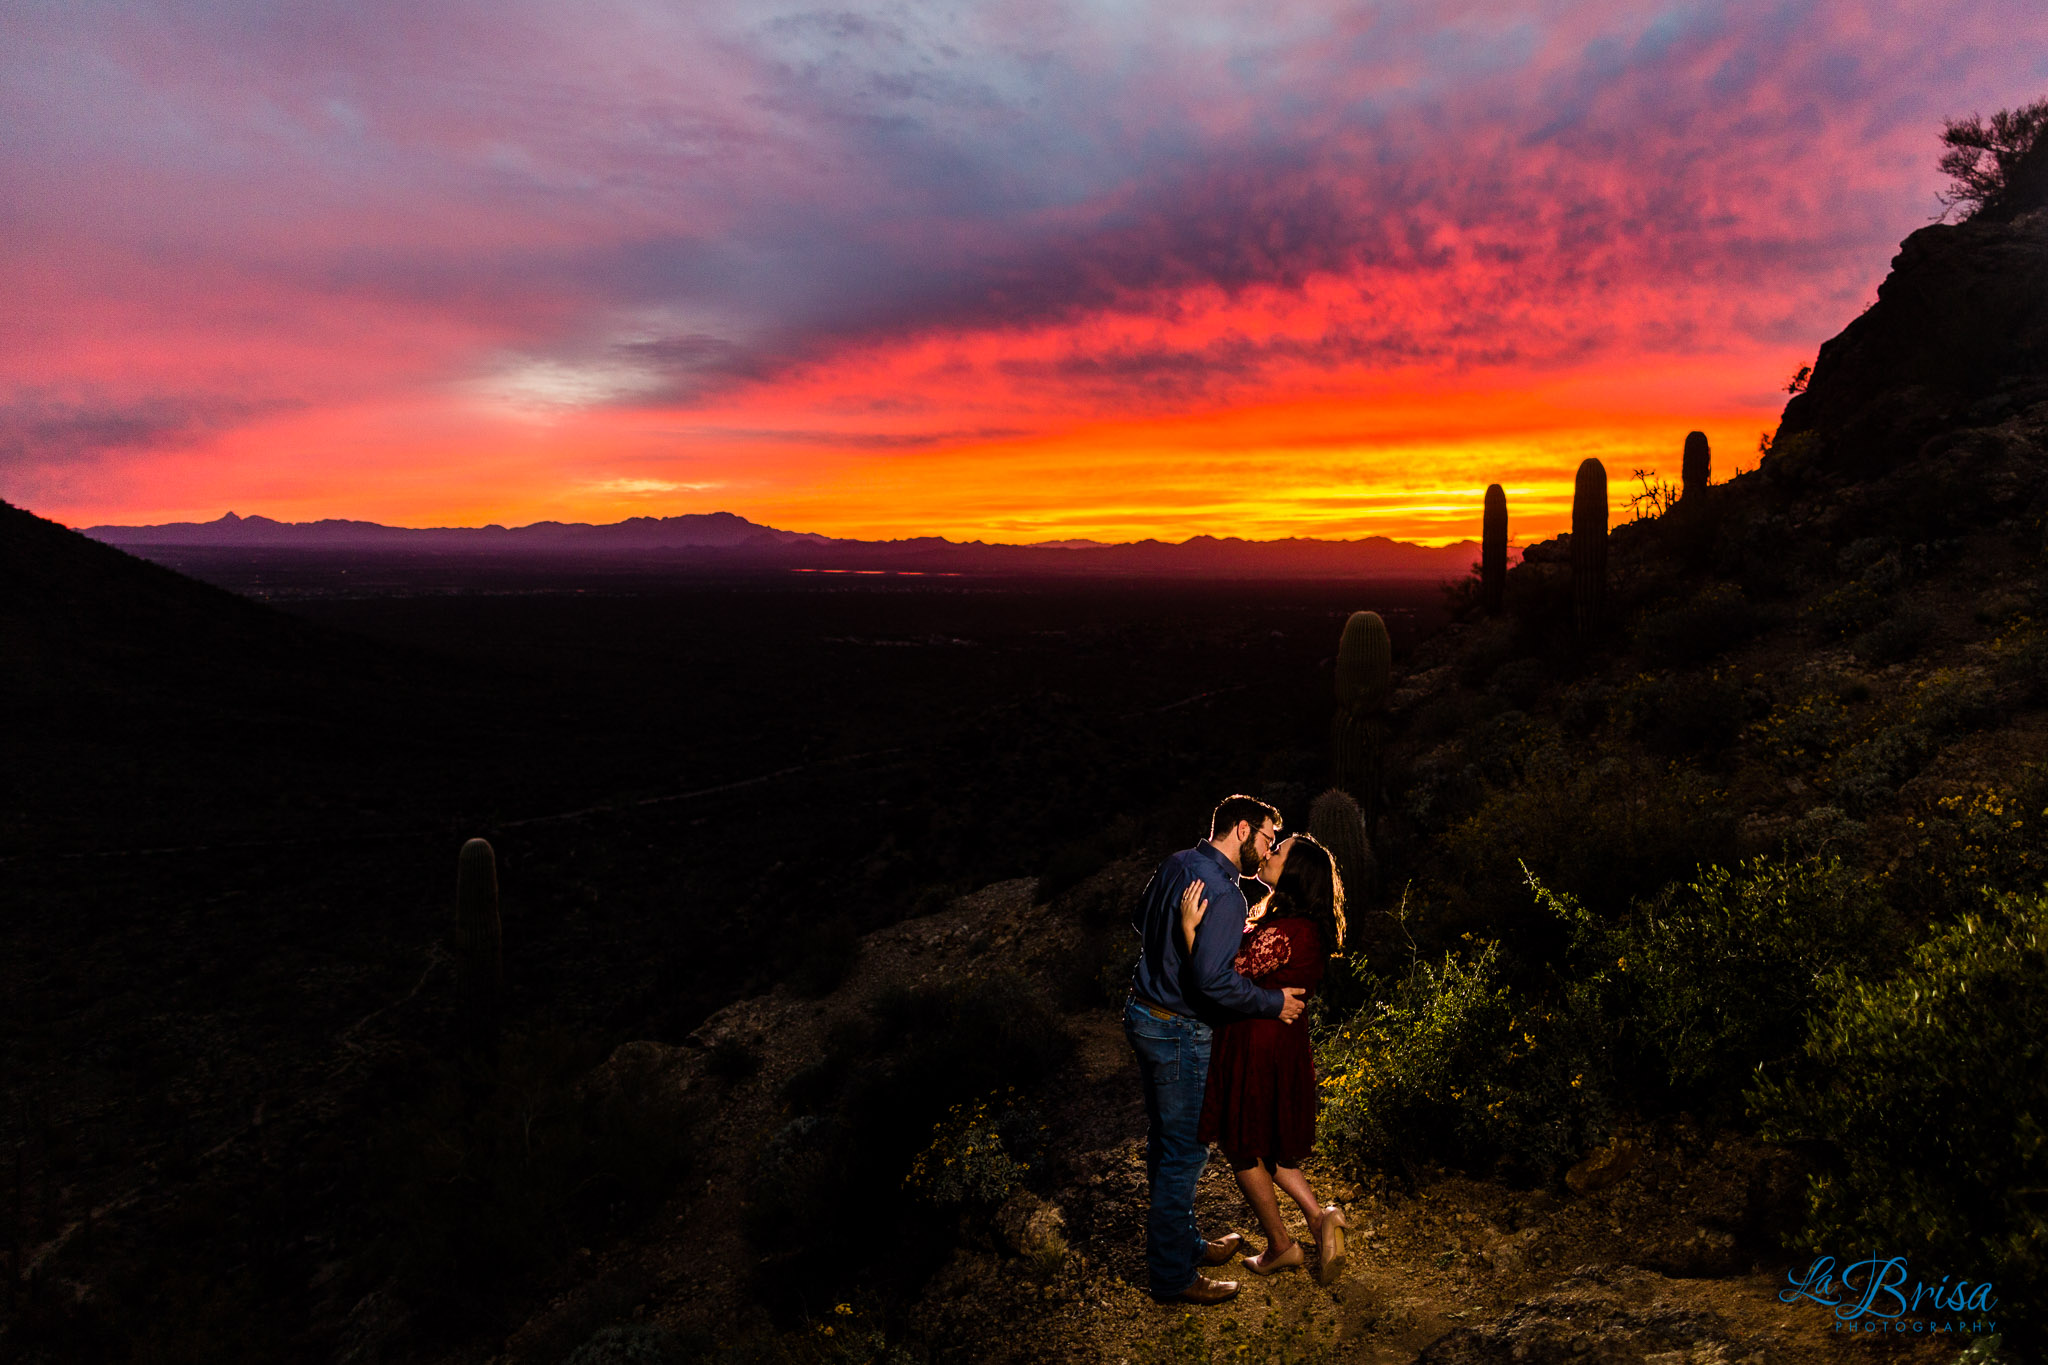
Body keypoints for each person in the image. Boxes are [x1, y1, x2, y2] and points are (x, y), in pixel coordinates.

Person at [1126, 794, 1307, 1305]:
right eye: (1269, 837)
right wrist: (1272, 1003)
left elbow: (1142, 921)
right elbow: (1212, 981)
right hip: (1180, 1030)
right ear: (1243, 829)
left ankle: (1185, 1245)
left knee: (1166, 1143)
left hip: (1142, 1014)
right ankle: (1172, 1277)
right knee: (1184, 1154)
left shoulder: (1177, 863)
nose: (1269, 847)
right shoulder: (1226, 894)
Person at [1180, 831, 1350, 1284]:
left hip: (1257, 1044)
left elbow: (1219, 974)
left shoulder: (1285, 932)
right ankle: (1319, 1218)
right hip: (1279, 1045)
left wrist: (1190, 931)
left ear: (1295, 873)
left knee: (1241, 1144)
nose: (1269, 854)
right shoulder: (1301, 926)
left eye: (1279, 851)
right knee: (1269, 1141)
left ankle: (1281, 1246)